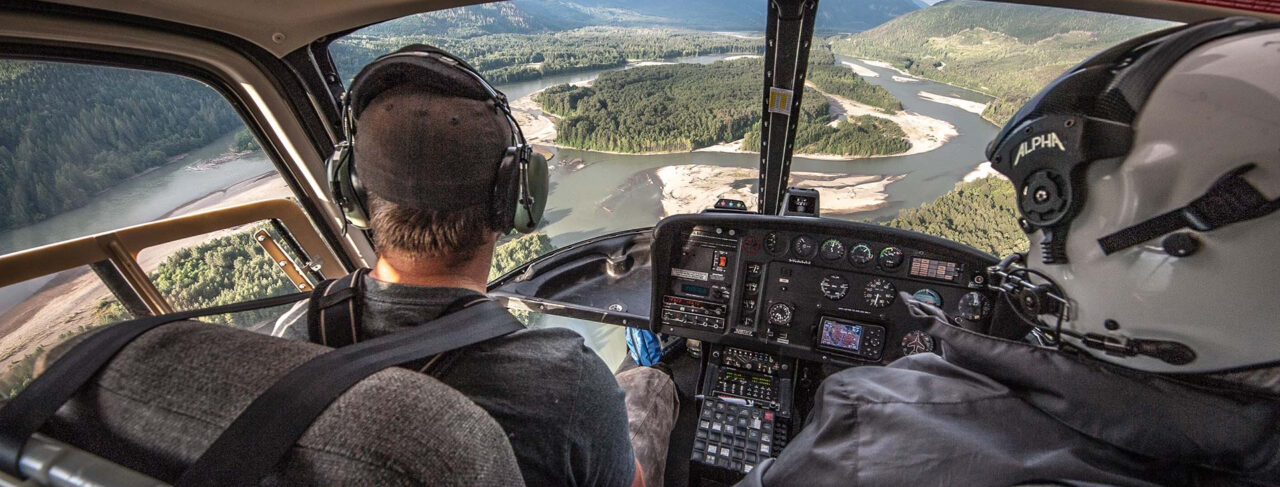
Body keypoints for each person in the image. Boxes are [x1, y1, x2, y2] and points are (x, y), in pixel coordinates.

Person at [736, 18, 1280, 486]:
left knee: (649, 394)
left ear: (1174, 243)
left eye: (1047, 219)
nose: (1028, 260)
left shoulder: (879, 424)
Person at [270, 45, 677, 487]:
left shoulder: (297, 334)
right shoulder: (566, 379)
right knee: (650, 384)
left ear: (351, 195)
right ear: (514, 205)